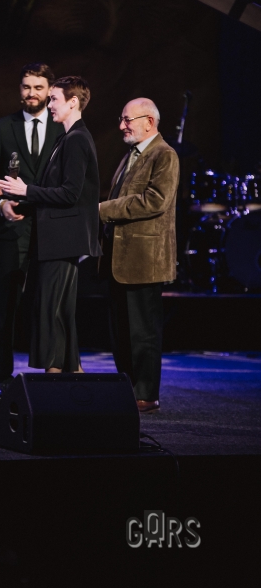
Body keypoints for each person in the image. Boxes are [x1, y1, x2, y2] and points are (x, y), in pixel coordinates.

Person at [0, 76, 101, 373]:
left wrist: (25, 190)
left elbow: (70, 194)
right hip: (56, 239)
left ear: (73, 102)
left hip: (62, 240)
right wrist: (17, 198)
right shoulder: (67, 137)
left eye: (54, 99)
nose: (49, 104)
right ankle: (71, 372)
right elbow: (55, 191)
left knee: (51, 308)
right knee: (58, 309)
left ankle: (54, 376)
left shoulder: (77, 139)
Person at [0, 63, 63, 400]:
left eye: (38, 87)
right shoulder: (3, 127)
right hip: (11, 231)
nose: (31, 93)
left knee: (50, 305)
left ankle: (53, 376)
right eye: (26, 87)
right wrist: (0, 204)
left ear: (49, 90)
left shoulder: (62, 127)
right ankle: (1, 379)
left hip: (51, 229)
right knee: (5, 306)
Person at [99, 98, 179, 414]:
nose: (122, 126)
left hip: (145, 260)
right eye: (122, 119)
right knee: (121, 331)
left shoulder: (164, 155)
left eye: (127, 120)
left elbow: (155, 201)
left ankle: (145, 393)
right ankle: (128, 388)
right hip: (120, 258)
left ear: (149, 121)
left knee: (143, 332)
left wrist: (102, 210)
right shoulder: (131, 155)